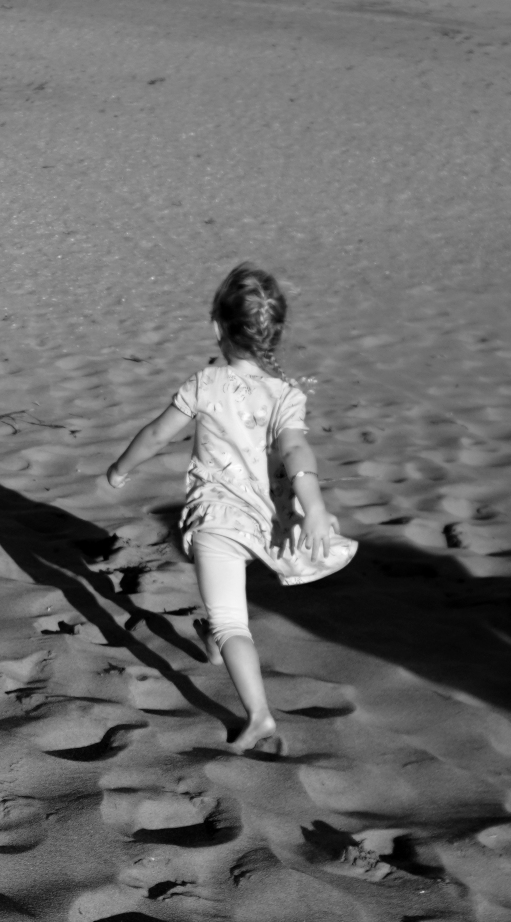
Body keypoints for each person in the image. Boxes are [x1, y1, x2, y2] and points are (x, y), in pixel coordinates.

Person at [105, 263, 356, 753]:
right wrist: (316, 508)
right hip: (263, 525)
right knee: (222, 612)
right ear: (273, 336)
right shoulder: (286, 394)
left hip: (218, 521)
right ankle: (213, 643)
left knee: (231, 622)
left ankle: (259, 714)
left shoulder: (206, 383)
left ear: (216, 328)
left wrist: (120, 468)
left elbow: (157, 433)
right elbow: (296, 452)